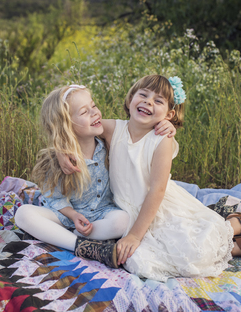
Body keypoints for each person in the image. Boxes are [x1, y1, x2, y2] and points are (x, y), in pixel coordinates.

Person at [58, 75, 241, 281]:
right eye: (143, 95)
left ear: (169, 115)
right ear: (130, 100)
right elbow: (78, 128)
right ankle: (231, 243)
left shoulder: (161, 140)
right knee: (139, 263)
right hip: (128, 212)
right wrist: (60, 151)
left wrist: (135, 236)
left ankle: (234, 227)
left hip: (158, 207)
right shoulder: (113, 128)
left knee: (191, 249)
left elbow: (157, 190)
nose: (148, 103)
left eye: (158, 101)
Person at [14, 84, 175, 269]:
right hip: (67, 214)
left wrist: (166, 123)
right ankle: (79, 245)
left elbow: (138, 129)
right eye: (84, 112)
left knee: (122, 222)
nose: (95, 113)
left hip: (101, 214)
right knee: (23, 214)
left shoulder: (108, 143)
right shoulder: (61, 159)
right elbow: (54, 197)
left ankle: (63, 235)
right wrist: (73, 215)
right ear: (66, 124)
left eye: (94, 106)